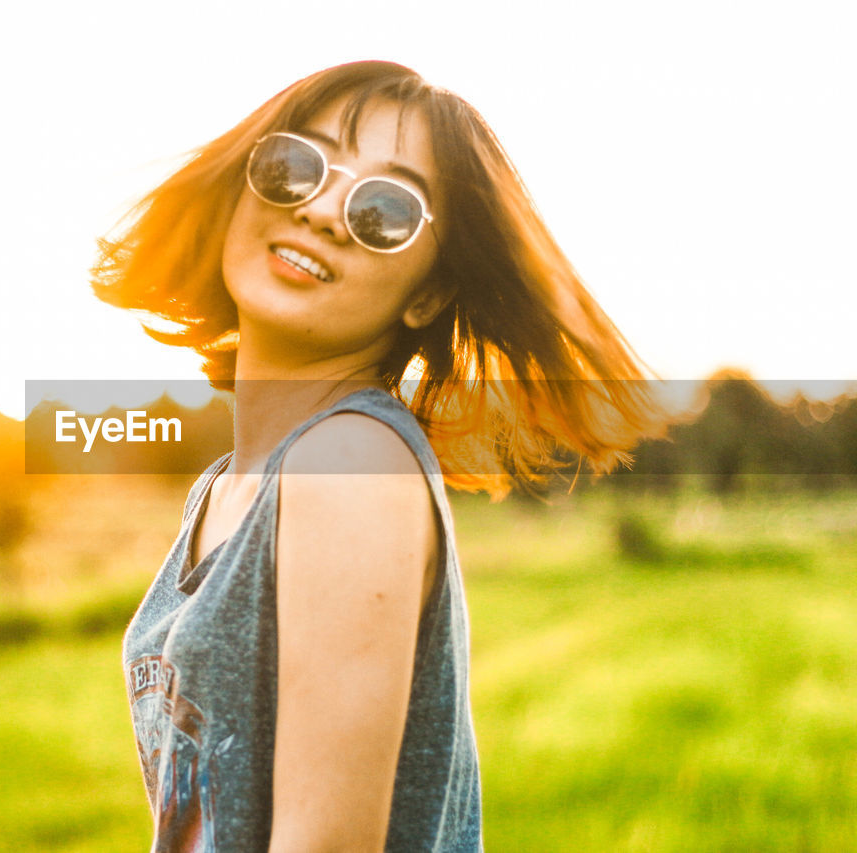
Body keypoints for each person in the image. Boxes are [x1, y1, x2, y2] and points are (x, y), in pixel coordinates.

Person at [95, 60, 658, 852]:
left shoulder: (348, 464)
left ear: (426, 295)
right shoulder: (227, 488)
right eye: (295, 167)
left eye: (385, 209)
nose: (323, 210)